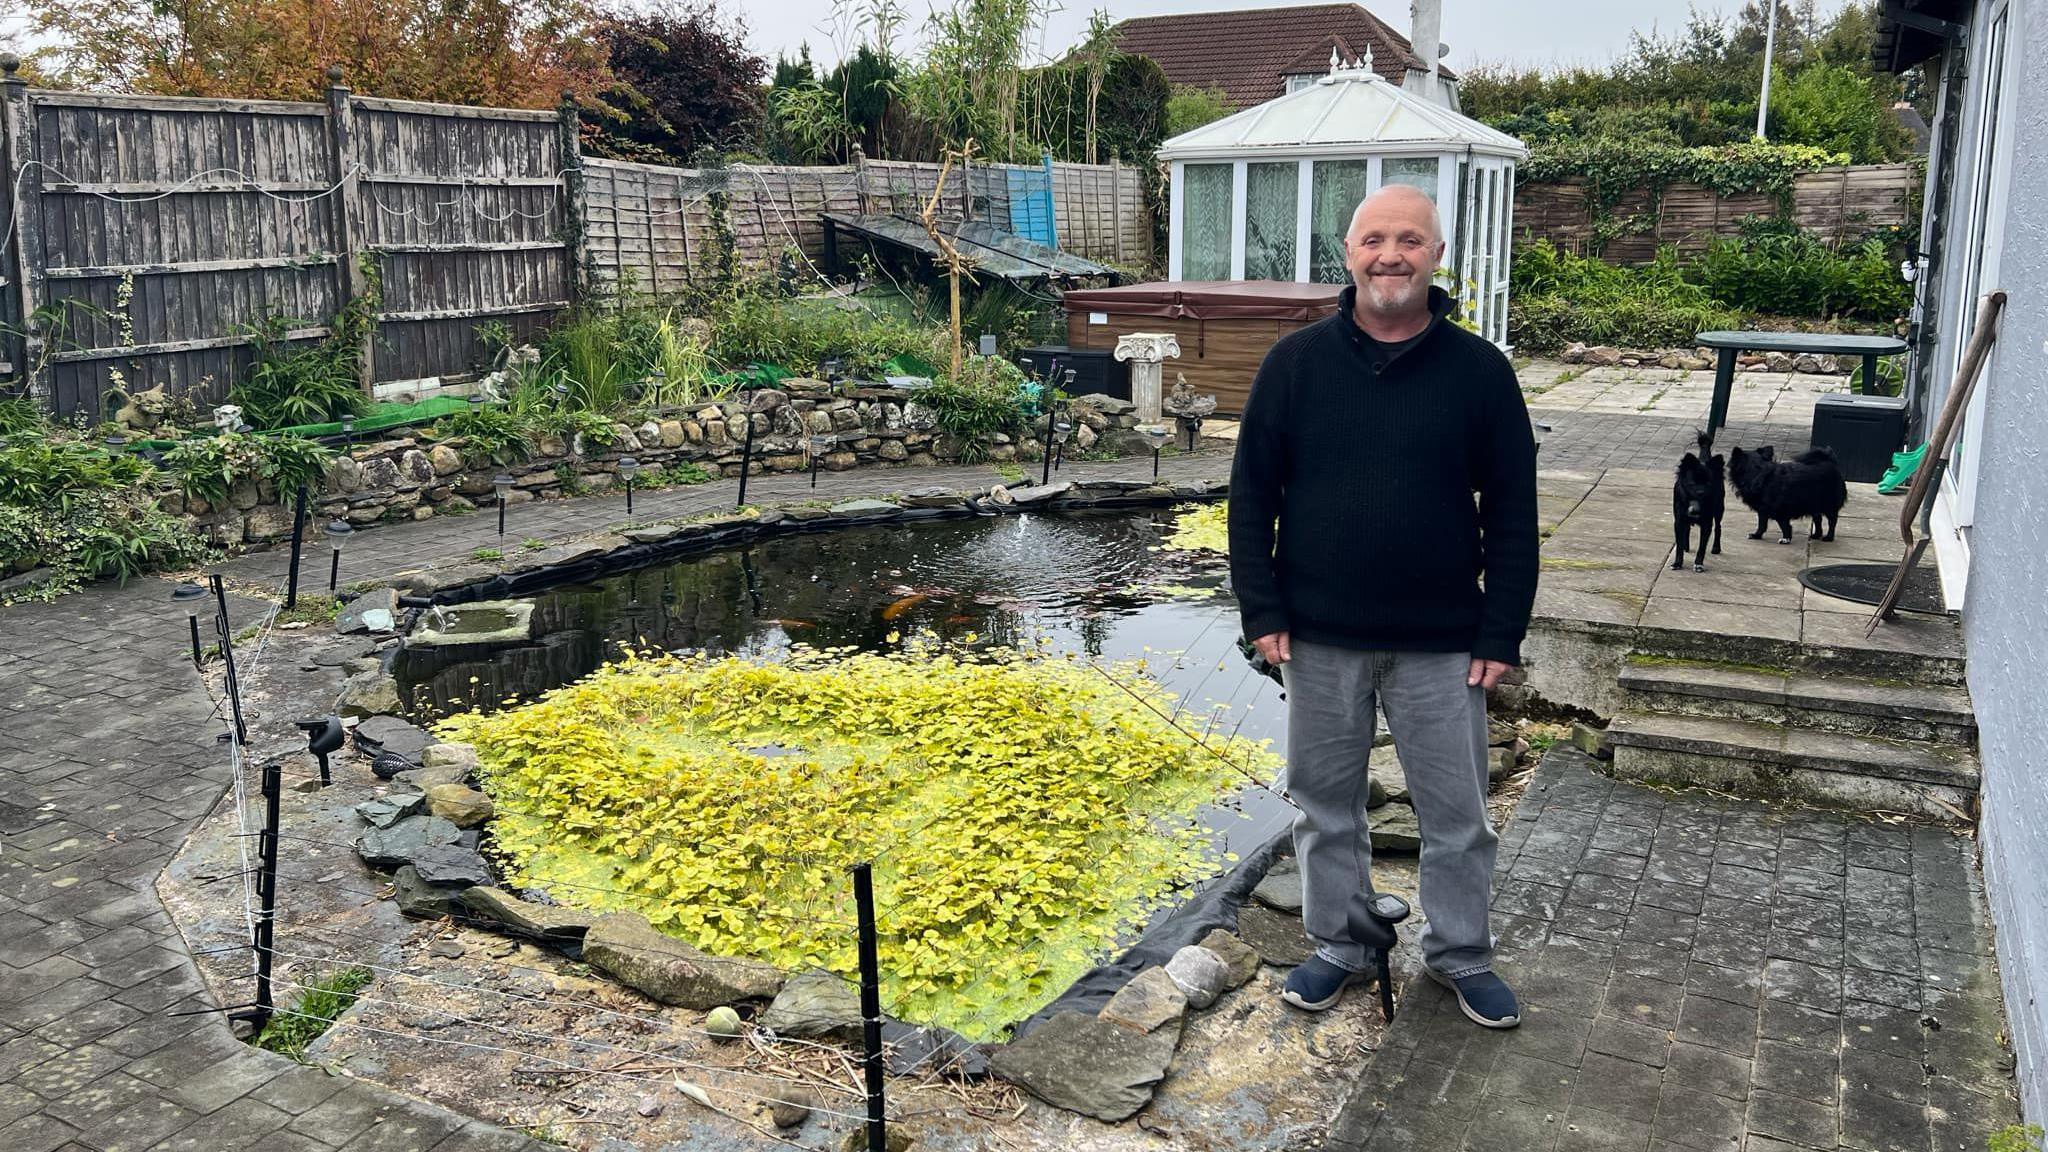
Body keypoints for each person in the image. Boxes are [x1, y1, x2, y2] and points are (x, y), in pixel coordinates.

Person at [1227, 184, 1538, 1029]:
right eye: (1373, 239)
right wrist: (1262, 610)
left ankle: (1461, 955)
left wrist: (1500, 627)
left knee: (1458, 816)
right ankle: (1344, 944)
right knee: (1326, 809)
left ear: (1437, 256)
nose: (1389, 255)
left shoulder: (1480, 374)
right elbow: (1253, 496)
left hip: (1444, 642)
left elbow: (1512, 511)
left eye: (1409, 239)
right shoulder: (1295, 365)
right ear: (1349, 253)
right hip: (1319, 638)